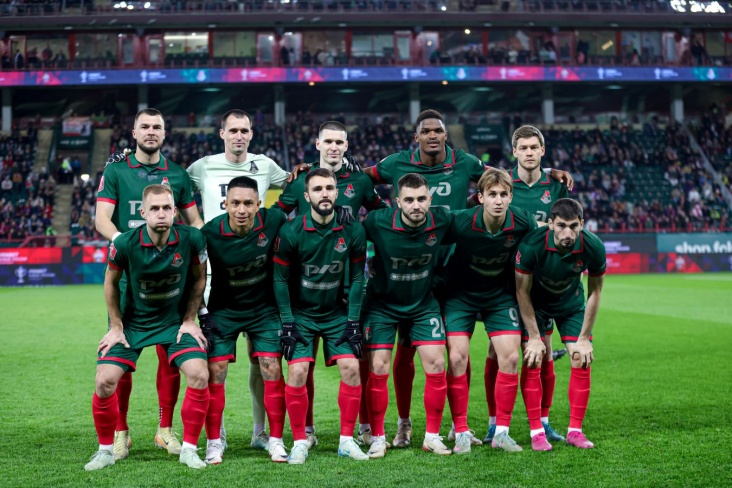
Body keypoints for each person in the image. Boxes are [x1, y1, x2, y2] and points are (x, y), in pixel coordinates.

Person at [361, 109, 572, 448]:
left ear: (446, 135)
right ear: (416, 137)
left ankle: (463, 428)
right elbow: (360, 180)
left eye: (438, 131)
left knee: (456, 355)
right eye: (426, 131)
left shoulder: (466, 163)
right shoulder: (397, 163)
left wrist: (546, 172)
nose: (432, 135)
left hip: (453, 271)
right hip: (422, 274)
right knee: (406, 351)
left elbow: (502, 178)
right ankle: (403, 423)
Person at [186, 109, 305, 451]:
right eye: (233, 130)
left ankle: (261, 432)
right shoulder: (202, 166)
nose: (238, 135)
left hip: (256, 274)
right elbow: (174, 186)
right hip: (213, 269)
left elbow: (296, 185)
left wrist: (313, 166)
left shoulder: (264, 165)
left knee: (263, 361)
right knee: (215, 366)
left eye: (244, 130)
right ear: (221, 133)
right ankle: (217, 436)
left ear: (251, 133)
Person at [95, 108, 203, 461]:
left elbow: (195, 222)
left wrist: (192, 248)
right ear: (134, 132)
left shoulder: (178, 174)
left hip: (170, 275)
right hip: (129, 277)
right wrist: (129, 248)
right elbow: (101, 220)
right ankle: (120, 433)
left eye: (157, 126)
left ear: (165, 133)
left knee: (170, 357)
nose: (151, 131)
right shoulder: (116, 170)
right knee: (123, 353)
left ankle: (165, 430)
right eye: (145, 126)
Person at [273, 120, 386, 447]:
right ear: (318, 144)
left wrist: (376, 248)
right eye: (329, 141)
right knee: (301, 366)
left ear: (346, 145)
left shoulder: (360, 181)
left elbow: (381, 216)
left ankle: (363, 427)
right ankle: (305, 432)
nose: (334, 147)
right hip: (305, 288)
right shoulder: (300, 179)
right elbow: (276, 218)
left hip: (347, 290)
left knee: (356, 361)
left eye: (339, 142)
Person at [84, 184, 210, 471]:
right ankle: (105, 451)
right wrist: (116, 326)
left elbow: (199, 278)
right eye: (154, 208)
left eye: (166, 208)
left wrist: (189, 319)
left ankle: (189, 450)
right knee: (104, 381)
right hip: (133, 324)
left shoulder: (192, 238)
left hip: (174, 323)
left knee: (199, 374)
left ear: (175, 211)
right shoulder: (125, 243)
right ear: (143, 212)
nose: (161, 213)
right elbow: (110, 283)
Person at [442, 168, 546, 454]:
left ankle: (501, 432)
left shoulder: (522, 221)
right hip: (460, 296)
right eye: (492, 195)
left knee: (510, 357)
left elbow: (544, 241)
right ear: (480, 198)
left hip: (499, 297)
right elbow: (427, 236)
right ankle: (460, 431)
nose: (498, 201)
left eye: (503, 194)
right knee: (457, 358)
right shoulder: (462, 221)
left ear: (511, 197)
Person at [480, 125, 570, 446]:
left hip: (541, 279)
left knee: (543, 349)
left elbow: (564, 227)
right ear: (514, 152)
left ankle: (544, 422)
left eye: (534, 147)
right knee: (498, 350)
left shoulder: (557, 185)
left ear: (542, 151)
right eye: (523, 148)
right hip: (506, 277)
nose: (529, 152)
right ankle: (494, 423)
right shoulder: (504, 184)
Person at [273, 168, 369, 464]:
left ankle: (346, 440)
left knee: (351, 368)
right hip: (301, 314)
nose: (324, 193)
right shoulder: (291, 231)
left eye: (329, 188)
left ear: (337, 193)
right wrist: (288, 322)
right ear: (306, 196)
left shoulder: (353, 230)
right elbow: (279, 280)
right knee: (298, 372)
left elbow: (358, 278)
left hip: (336, 313)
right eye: (317, 189)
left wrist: (353, 321)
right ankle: (300, 441)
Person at [361, 173, 454, 458]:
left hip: (423, 304)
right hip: (383, 304)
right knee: (378, 367)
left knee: (437, 363)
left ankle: (432, 437)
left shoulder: (443, 219)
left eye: (422, 199)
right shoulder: (377, 222)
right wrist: (367, 263)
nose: (416, 205)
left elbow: (473, 230)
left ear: (430, 199)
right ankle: (378, 437)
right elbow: (349, 240)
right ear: (397, 201)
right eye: (409, 200)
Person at [200, 176, 289, 464]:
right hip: (223, 311)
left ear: (259, 204)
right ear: (225, 204)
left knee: (272, 369)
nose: (241, 209)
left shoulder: (273, 220)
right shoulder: (209, 233)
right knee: (216, 372)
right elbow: (193, 275)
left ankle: (274, 439)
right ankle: (214, 441)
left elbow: (299, 196)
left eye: (248, 203)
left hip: (263, 311)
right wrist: (198, 313)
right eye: (235, 203)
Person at [514, 198, 607, 449]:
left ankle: (575, 431)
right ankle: (537, 432)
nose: (568, 233)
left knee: (581, 358)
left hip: (571, 305)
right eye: (562, 226)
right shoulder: (532, 244)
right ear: (551, 224)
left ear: (582, 224)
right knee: (533, 359)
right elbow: (521, 291)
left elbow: (595, 292)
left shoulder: (593, 246)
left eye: (574, 226)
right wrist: (534, 337)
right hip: (537, 305)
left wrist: (584, 338)